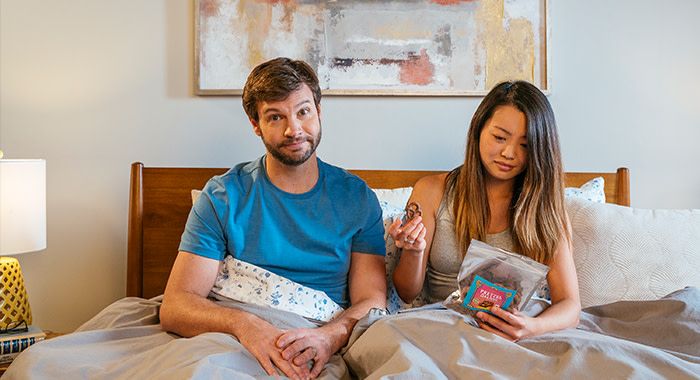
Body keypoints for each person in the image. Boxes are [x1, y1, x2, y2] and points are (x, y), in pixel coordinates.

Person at [159, 57, 387, 379]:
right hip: (230, 334)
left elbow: (372, 301)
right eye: (275, 116)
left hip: (315, 336)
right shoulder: (223, 195)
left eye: (303, 111)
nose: (294, 129)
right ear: (255, 124)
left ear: (318, 112)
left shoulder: (357, 198)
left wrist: (328, 337)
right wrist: (245, 325)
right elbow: (177, 305)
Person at [389, 80, 581, 341]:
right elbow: (407, 293)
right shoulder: (432, 191)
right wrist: (414, 250)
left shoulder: (545, 210)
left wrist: (530, 327)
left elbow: (570, 306)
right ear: (478, 131)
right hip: (443, 327)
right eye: (499, 137)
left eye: (525, 145)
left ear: (539, 149)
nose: (509, 153)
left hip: (512, 334)